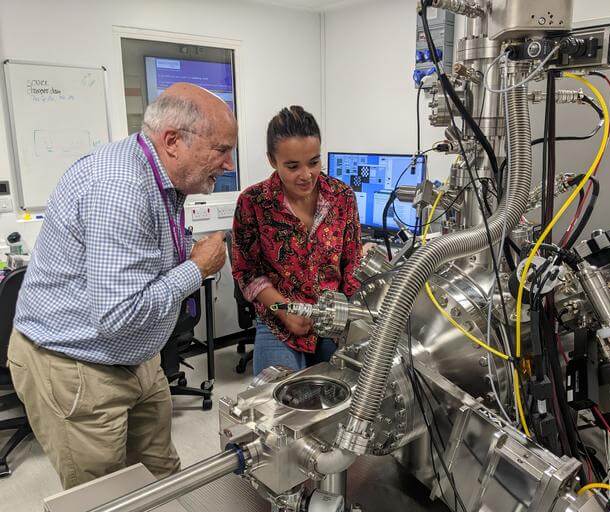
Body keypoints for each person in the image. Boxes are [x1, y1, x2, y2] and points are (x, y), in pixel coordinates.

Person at [7, 83, 235, 489]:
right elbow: (118, 314)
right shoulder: (120, 188)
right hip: (76, 365)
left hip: (136, 358)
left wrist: (186, 253)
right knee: (103, 501)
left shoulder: (162, 178)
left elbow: (147, 257)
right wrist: (197, 268)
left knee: (160, 479)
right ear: (172, 141)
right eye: (221, 149)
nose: (229, 163)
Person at [232, 106, 362, 375]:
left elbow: (352, 265)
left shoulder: (342, 197)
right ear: (272, 160)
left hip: (332, 322)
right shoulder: (253, 203)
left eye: (314, 162)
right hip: (278, 322)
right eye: (292, 166)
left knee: (344, 395)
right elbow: (246, 273)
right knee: (277, 404)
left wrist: (354, 321)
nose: (306, 175)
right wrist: (283, 309)